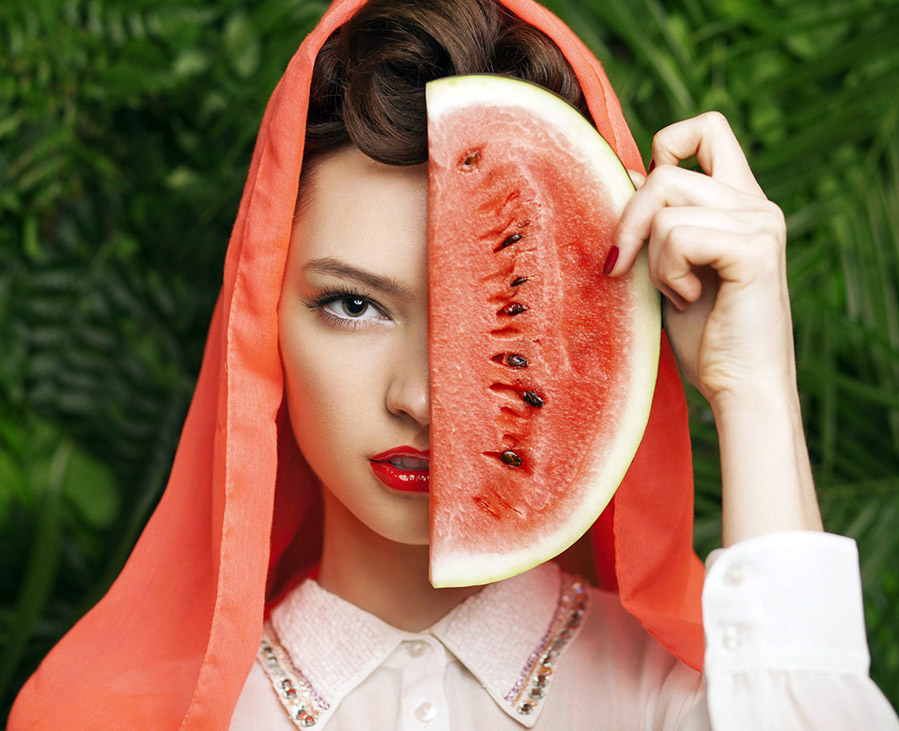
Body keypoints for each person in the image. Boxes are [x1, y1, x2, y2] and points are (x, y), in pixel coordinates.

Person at [9, 0, 899, 728]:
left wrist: (754, 387)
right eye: (352, 303)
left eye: (501, 316)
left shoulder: (691, 705)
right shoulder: (127, 718)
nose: (425, 397)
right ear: (259, 321)